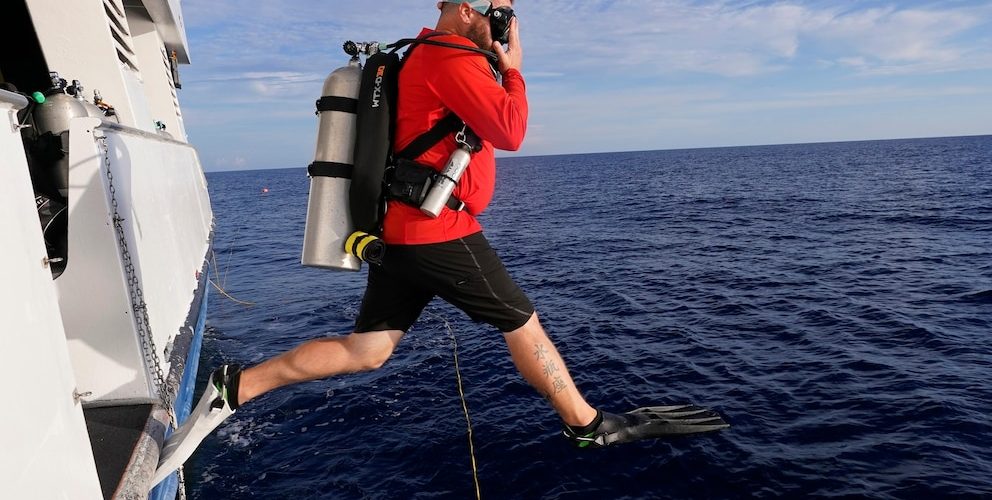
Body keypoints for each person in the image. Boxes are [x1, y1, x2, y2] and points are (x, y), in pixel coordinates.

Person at [154, 1, 727, 484]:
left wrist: (496, 63)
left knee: (369, 350)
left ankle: (235, 388)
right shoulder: (451, 58)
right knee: (522, 322)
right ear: (465, 9)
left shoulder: (429, 57)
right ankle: (585, 425)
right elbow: (511, 131)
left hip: (402, 231)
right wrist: (516, 69)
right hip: (438, 231)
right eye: (500, 11)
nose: (506, 22)